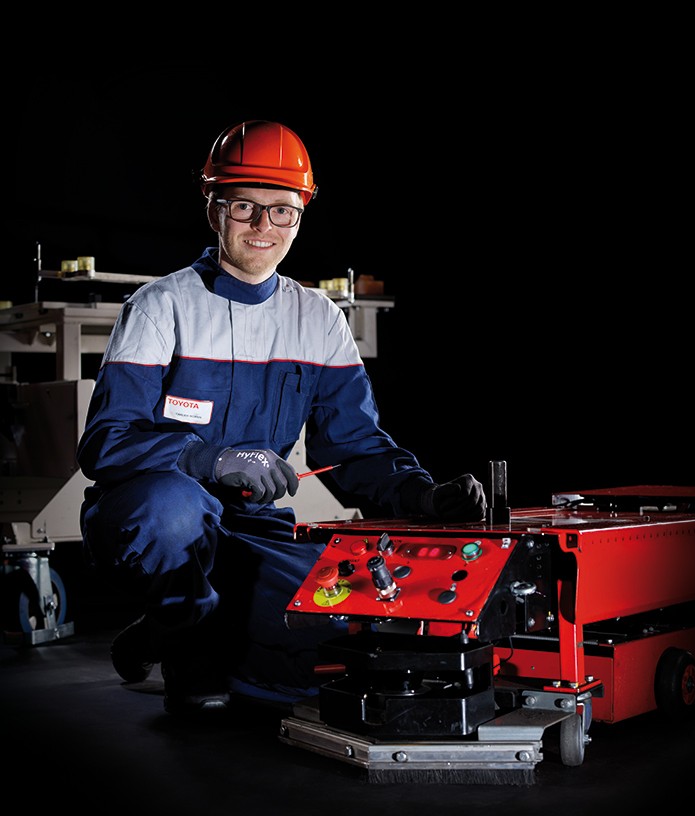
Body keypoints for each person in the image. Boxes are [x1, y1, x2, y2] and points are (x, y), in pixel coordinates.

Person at [76, 119, 486, 716]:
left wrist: (423, 498)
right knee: (172, 511)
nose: (263, 226)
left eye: (282, 211)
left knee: (338, 609)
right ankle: (189, 648)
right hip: (152, 513)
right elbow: (106, 443)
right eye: (244, 206)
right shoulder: (161, 305)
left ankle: (167, 626)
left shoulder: (317, 319)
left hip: (253, 523)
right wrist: (208, 458)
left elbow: (353, 447)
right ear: (213, 206)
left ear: (301, 214)